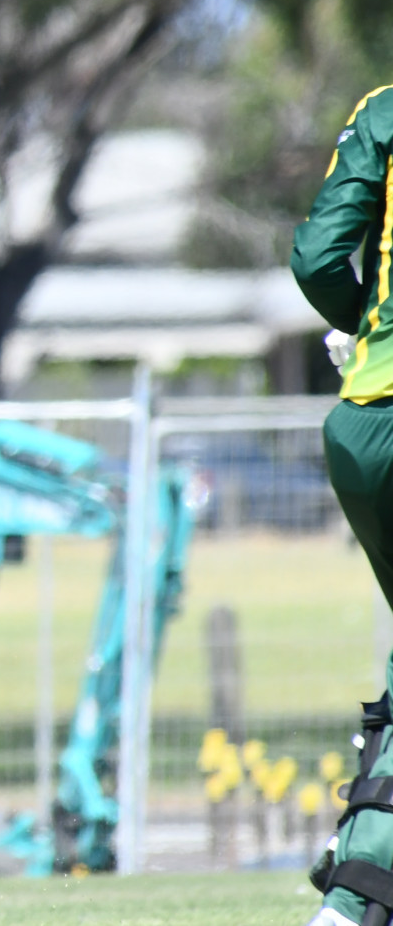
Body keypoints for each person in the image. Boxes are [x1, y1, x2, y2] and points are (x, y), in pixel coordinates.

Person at [293, 84, 393, 926]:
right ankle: (360, 898)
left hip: (362, 421)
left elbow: (320, 258)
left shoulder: (384, 107)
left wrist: (368, 325)